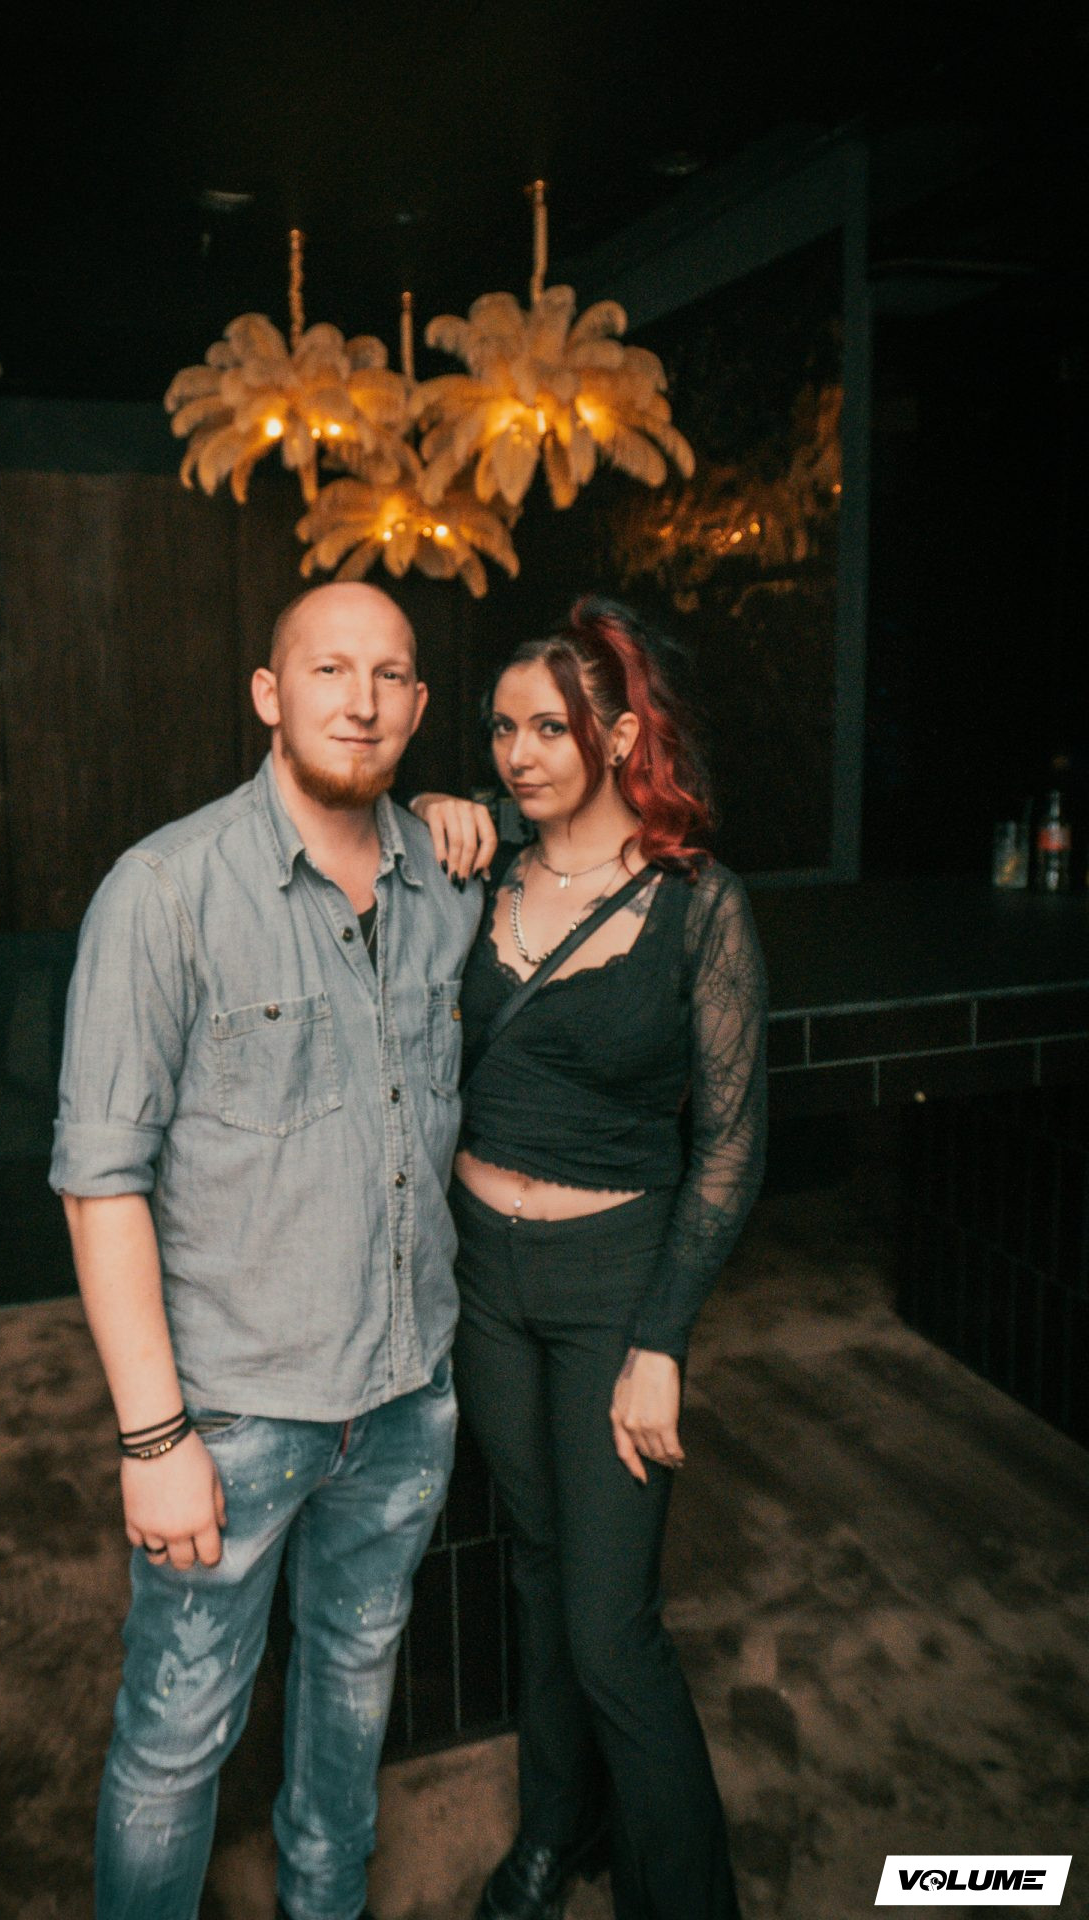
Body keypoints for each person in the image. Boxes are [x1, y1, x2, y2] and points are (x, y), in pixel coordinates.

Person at [50, 580, 482, 1920]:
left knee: (352, 1702)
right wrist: (153, 1438)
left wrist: (477, 808)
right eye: (328, 670)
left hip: (406, 1394)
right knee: (177, 1741)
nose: (360, 701)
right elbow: (99, 1183)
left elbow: (576, 818)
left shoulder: (447, 878)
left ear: (418, 703)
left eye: (390, 675)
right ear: (268, 693)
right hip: (232, 1418)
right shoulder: (164, 892)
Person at [412, 596, 767, 1920]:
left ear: (617, 736)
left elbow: (731, 1145)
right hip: (483, 1284)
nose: (517, 754)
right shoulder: (477, 873)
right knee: (540, 1569)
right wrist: (436, 809)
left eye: (548, 728)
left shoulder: (698, 904)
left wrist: (662, 1339)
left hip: (613, 1281)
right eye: (500, 730)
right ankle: (557, 1831)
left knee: (613, 1629)